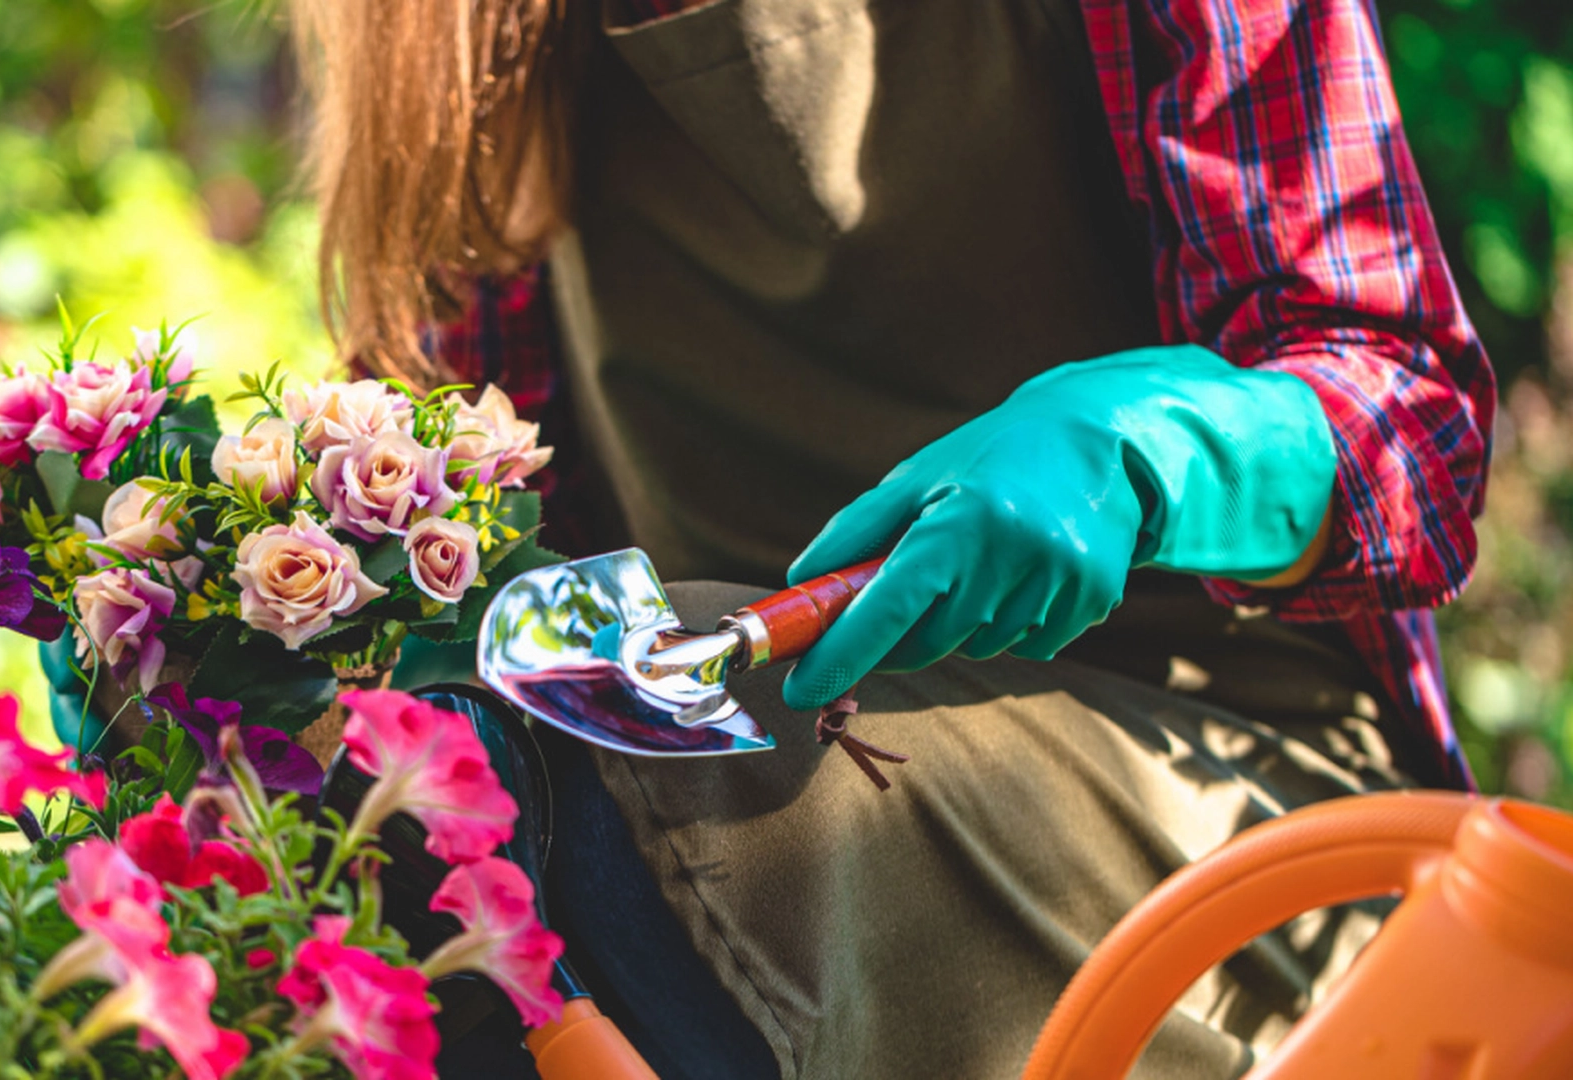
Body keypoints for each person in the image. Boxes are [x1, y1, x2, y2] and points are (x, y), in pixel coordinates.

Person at [295, 0, 1494, 1076]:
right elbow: (480, 562)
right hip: (711, 740)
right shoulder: (463, 44)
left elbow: (1417, 427)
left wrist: (1160, 449)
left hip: (1238, 821)